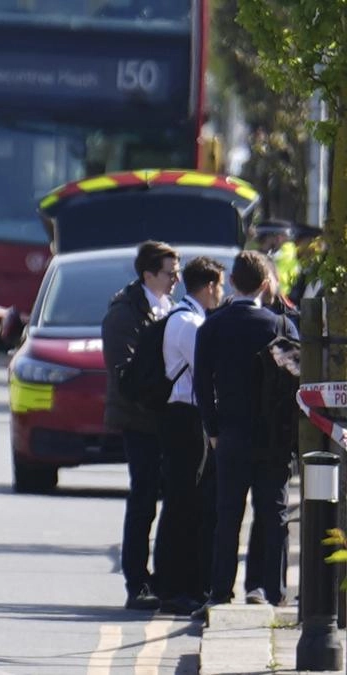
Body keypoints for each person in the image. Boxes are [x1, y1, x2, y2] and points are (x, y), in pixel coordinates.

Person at [193, 250, 298, 618]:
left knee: (228, 515)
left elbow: (202, 384)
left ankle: (220, 591)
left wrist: (213, 429)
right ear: (266, 284)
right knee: (274, 514)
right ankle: (273, 589)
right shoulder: (280, 327)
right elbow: (296, 379)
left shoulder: (211, 327)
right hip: (273, 436)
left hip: (231, 433)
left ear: (233, 282)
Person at [100, 240, 180, 610]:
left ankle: (164, 576)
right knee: (143, 498)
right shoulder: (125, 312)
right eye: (169, 272)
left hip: (165, 417)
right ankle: (136, 580)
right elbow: (125, 374)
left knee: (172, 498)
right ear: (149, 274)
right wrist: (160, 396)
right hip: (140, 418)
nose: (176, 278)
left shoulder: (167, 306)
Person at [153, 256, 225, 616]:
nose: (222, 293)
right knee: (182, 503)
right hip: (183, 418)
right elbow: (208, 372)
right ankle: (172, 587)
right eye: (220, 286)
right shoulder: (190, 323)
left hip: (186, 417)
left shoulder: (189, 318)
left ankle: (181, 584)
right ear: (209, 286)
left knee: (189, 502)